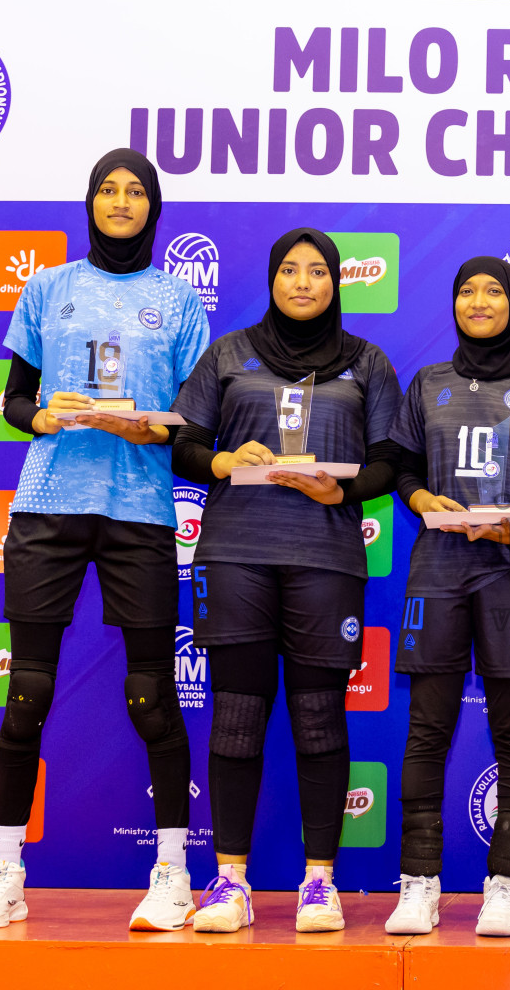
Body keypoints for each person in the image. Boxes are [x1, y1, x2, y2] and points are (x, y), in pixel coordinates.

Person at [0, 149, 210, 931]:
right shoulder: (49, 285)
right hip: (48, 505)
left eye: (137, 191)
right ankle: (6, 875)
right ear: (91, 202)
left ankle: (172, 874)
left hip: (139, 510)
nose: (122, 201)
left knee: (151, 697)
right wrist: (44, 416)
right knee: (25, 692)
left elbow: (196, 423)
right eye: (109, 189)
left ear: (155, 208)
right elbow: (14, 399)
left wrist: (151, 424)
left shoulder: (179, 302)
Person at [168, 228, 401, 933]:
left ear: (337, 283)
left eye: (318, 272)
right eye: (290, 270)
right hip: (236, 553)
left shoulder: (367, 363)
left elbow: (391, 461)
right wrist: (222, 458)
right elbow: (182, 443)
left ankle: (319, 883)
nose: (303, 283)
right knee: (238, 715)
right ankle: (229, 883)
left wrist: (344, 493)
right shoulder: (228, 354)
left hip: (326, 560)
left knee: (320, 717)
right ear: (272, 279)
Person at [380, 257, 510, 938]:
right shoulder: (428, 382)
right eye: (467, 290)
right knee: (427, 727)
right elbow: (400, 464)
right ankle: (419, 883)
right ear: (453, 302)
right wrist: (419, 495)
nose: (480, 301)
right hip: (438, 570)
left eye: (494, 291)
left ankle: (505, 884)